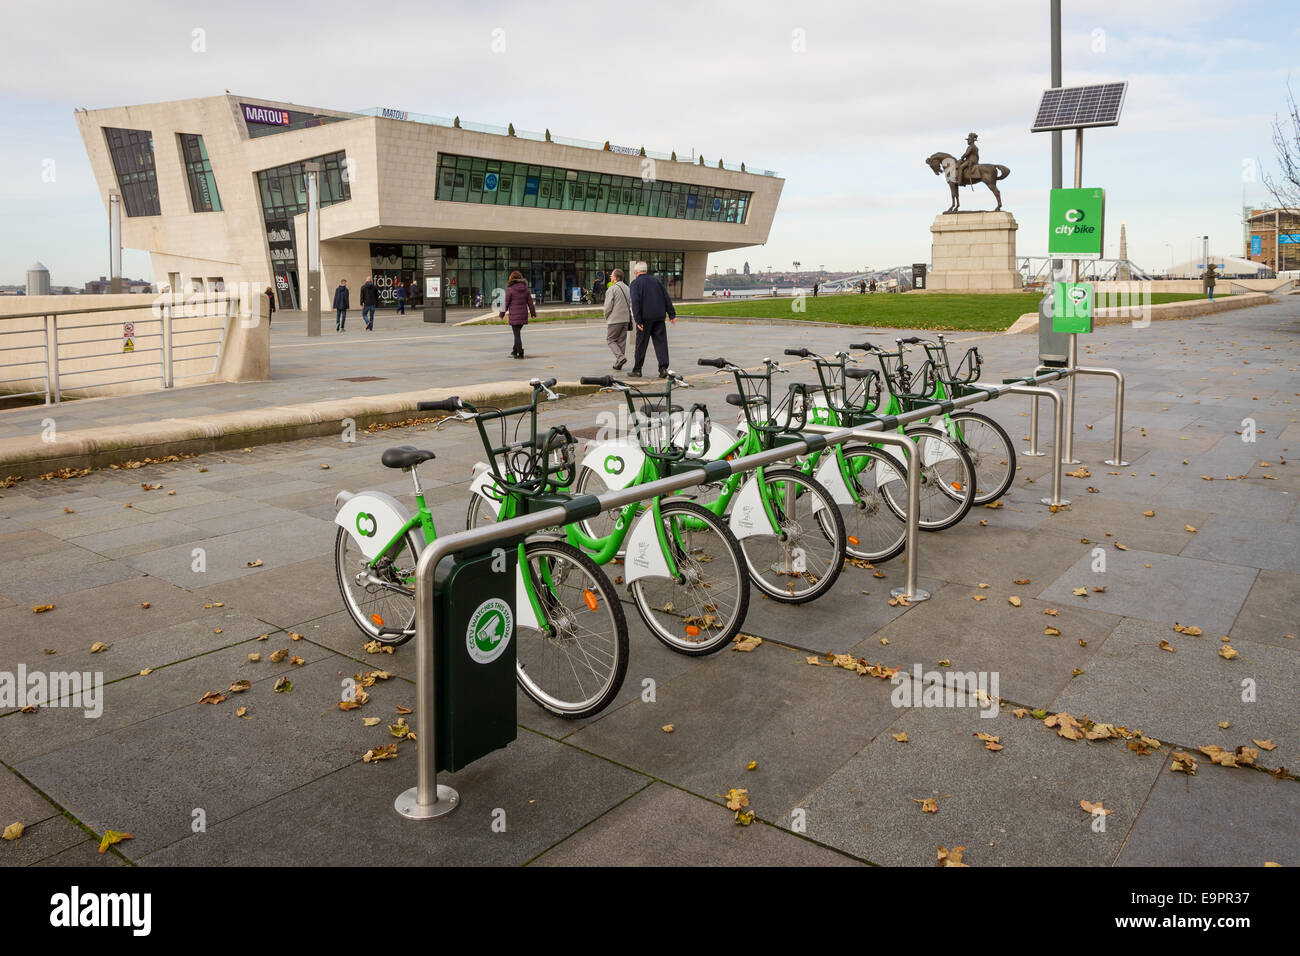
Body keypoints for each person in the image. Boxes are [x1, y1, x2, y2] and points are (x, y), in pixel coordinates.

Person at [629, 260, 675, 378]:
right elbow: (666, 297)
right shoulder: (656, 281)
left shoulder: (635, 283)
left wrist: (638, 320)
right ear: (646, 270)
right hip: (659, 316)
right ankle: (663, 368)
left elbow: (635, 302)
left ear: (636, 272)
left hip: (645, 319)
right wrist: (671, 314)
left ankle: (637, 370)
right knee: (661, 343)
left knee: (641, 344)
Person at [501, 269, 535, 359]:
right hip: (523, 315)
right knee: (517, 333)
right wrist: (533, 313)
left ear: (511, 278)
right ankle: (514, 351)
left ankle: (520, 353)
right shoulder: (525, 288)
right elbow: (530, 302)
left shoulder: (510, 289)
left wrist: (502, 314)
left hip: (514, 316)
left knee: (517, 335)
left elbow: (506, 303)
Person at [603, 268, 632, 370]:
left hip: (615, 319)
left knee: (610, 340)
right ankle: (618, 364)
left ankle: (620, 357)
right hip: (625, 319)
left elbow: (608, 306)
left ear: (615, 278)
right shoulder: (628, 288)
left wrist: (606, 316)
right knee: (621, 341)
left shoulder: (612, 289)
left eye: (611, 275)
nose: (610, 276)